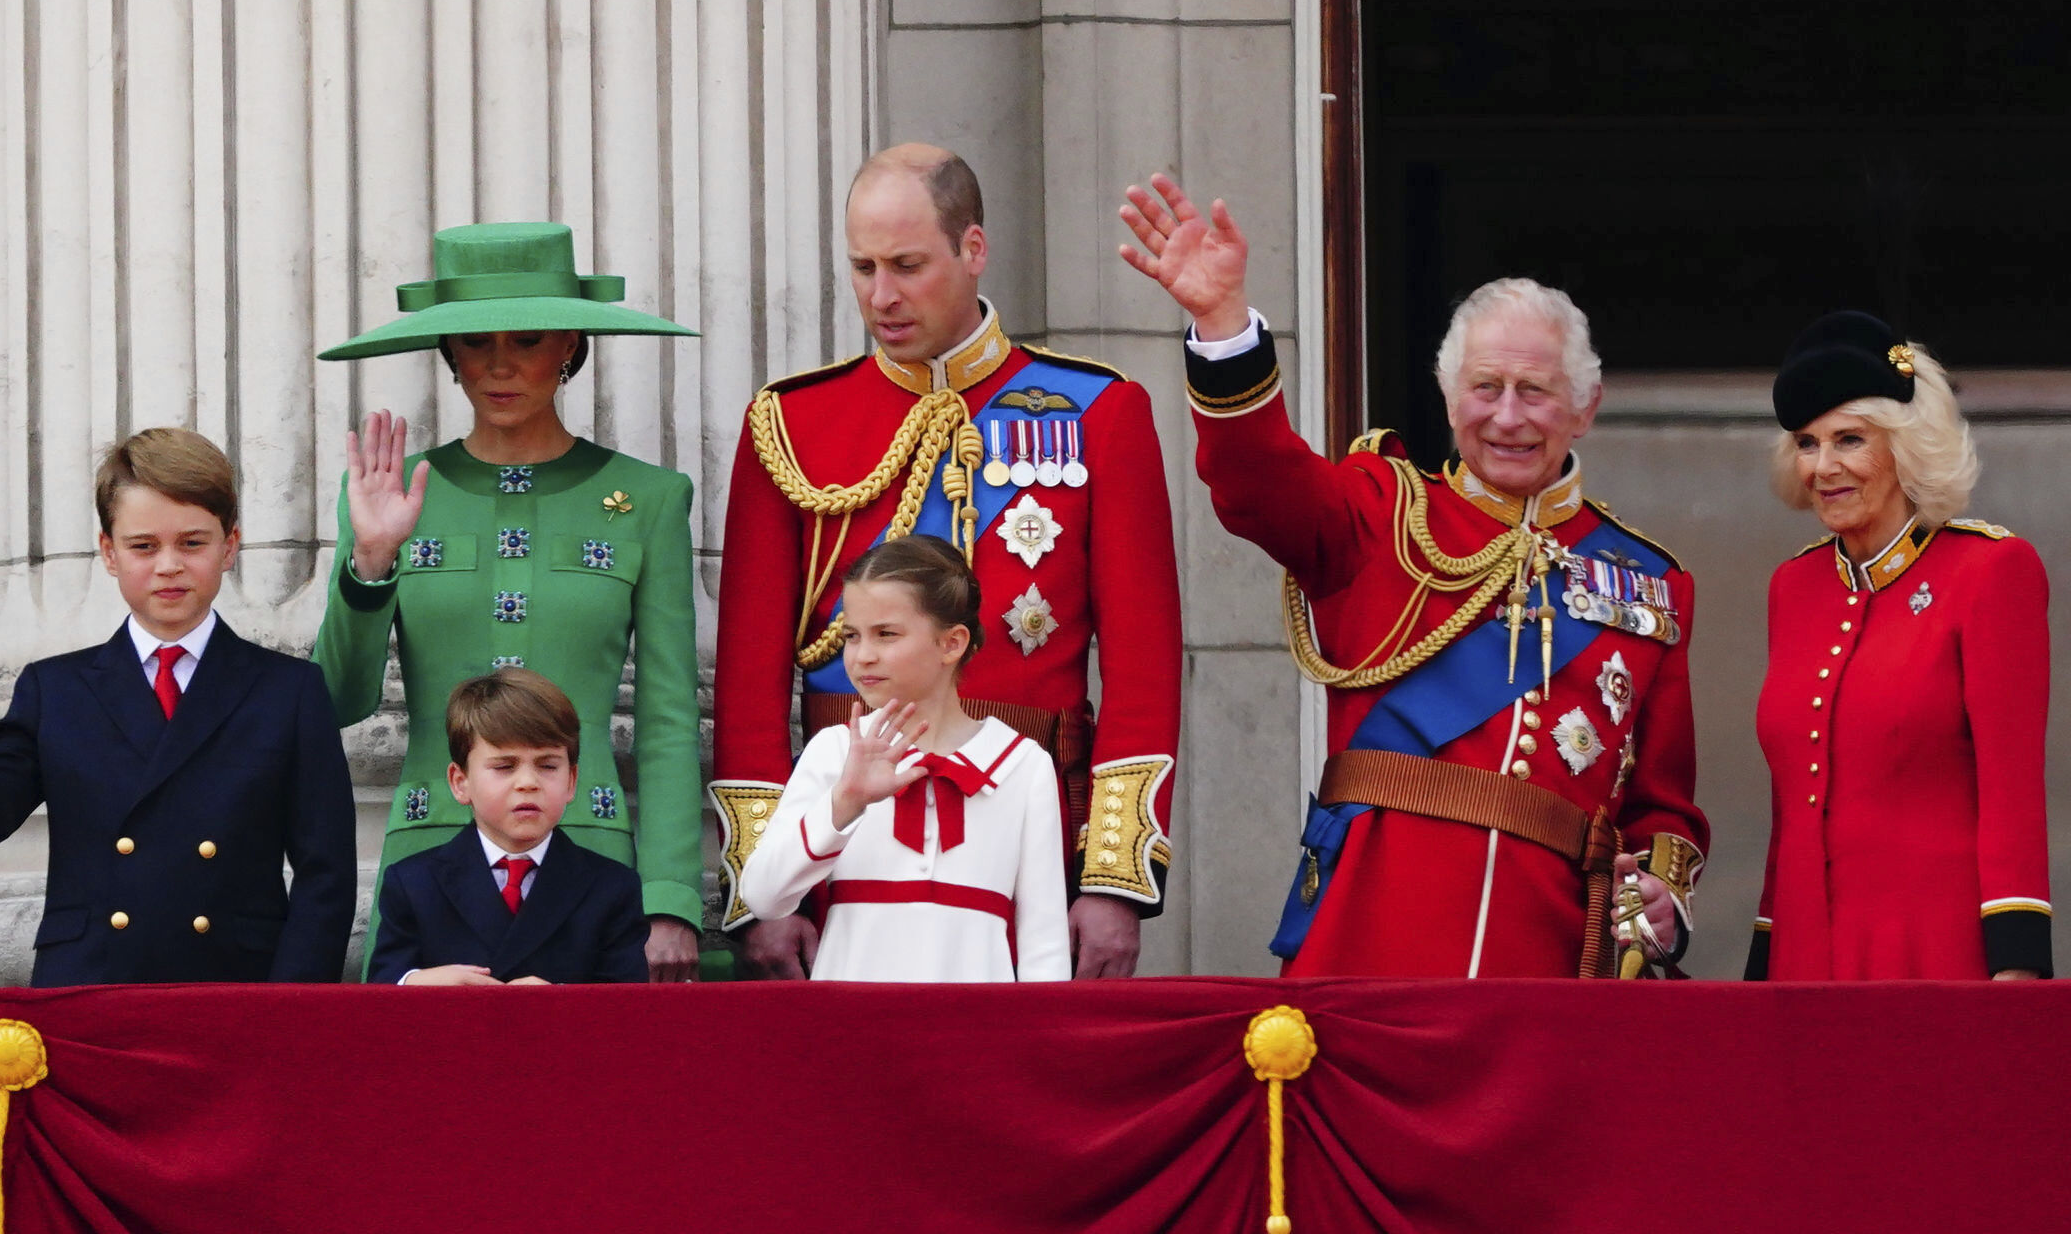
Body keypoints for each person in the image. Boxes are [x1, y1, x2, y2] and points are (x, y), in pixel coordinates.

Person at [1117, 173, 1708, 978]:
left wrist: (1661, 909)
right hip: (1369, 939)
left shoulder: (1649, 585)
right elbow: (1257, 482)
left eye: (1535, 392)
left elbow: (1663, 807)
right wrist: (1222, 324)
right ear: (1446, 392)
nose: (1506, 417)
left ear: (1586, 404)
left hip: (1547, 962)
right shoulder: (1378, 512)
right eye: (1485, 388)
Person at [712, 144, 1181, 981]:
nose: (880, 297)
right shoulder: (790, 424)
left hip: (1026, 829)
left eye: (907, 265)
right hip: (842, 837)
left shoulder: (1099, 412)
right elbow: (749, 688)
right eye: (861, 267)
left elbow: (1145, 672)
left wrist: (1113, 879)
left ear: (973, 250)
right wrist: (760, 892)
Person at [313, 222, 704, 981]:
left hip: (590, 863)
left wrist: (669, 897)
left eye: (526, 339)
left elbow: (666, 717)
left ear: (569, 347)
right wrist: (371, 559)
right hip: (429, 860)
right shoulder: (392, 494)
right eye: (474, 342)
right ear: (448, 354)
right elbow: (336, 698)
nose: (498, 364)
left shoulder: (649, 499)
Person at [0, 428, 356, 984]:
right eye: (143, 546)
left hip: (237, 991)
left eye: (193, 542)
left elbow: (326, 875)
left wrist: (290, 1009)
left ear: (230, 546)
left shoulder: (289, 690)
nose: (168, 565)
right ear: (109, 553)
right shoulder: (55, 690)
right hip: (91, 990)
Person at [1748, 312, 2050, 981]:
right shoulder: (1792, 588)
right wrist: (1762, 969)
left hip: (1935, 964)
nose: (1823, 467)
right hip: (1802, 968)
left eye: (1849, 440)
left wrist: (2017, 973)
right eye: (1806, 443)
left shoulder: (1990, 571)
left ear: (1906, 447)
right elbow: (1788, 811)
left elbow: (2013, 796)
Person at [739, 537, 1069, 981]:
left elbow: (1044, 943)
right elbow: (763, 897)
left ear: (951, 644)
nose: (862, 655)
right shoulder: (835, 750)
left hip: (978, 1035)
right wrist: (844, 804)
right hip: (851, 1027)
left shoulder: (1023, 765)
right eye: (852, 636)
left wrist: (1034, 1046)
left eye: (886, 634)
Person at [369, 667, 650, 985]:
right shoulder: (413, 883)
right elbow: (382, 988)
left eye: (547, 766)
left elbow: (625, 1011)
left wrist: (564, 1005)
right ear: (460, 783)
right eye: (504, 766)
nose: (528, 782)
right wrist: (420, 983)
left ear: (571, 781)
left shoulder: (612, 888)